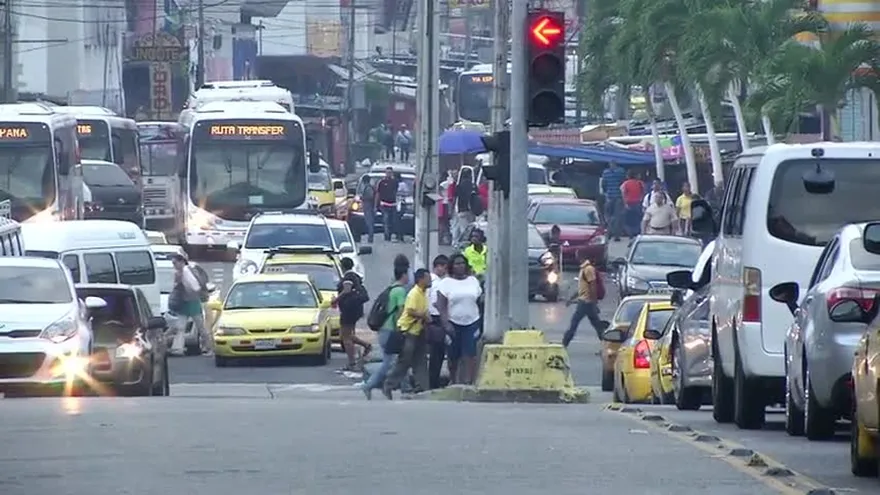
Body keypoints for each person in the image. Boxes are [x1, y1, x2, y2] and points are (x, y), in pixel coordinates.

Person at [383, 268, 432, 399]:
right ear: (420, 279)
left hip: (418, 331)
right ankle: (388, 384)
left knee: (421, 360)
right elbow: (410, 311)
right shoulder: (414, 293)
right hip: (408, 332)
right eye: (427, 278)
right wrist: (423, 315)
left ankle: (423, 387)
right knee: (404, 361)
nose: (429, 280)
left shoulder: (423, 293)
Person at [362, 266, 409, 399]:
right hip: (391, 331)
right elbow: (400, 312)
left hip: (384, 329)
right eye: (408, 274)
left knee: (398, 361)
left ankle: (404, 388)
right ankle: (369, 385)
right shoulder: (400, 291)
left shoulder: (391, 289)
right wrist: (402, 329)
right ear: (404, 275)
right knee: (390, 362)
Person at [437, 253, 483, 385]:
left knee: (470, 353)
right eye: (457, 264)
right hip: (453, 323)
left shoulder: (473, 281)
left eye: (462, 263)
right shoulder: (446, 283)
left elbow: (478, 300)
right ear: (452, 266)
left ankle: (469, 381)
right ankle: (453, 380)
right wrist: (445, 323)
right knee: (453, 355)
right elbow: (441, 305)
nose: (460, 266)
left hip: (472, 322)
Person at [168, 253, 212, 356]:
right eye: (173, 263)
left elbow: (194, 287)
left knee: (200, 327)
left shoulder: (186, 272)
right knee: (180, 326)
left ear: (181, 262)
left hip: (191, 302)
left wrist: (179, 283)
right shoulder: (181, 272)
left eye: (175, 263)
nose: (174, 265)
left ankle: (209, 348)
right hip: (185, 303)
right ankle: (177, 348)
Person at [563, 252, 608, 347]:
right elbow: (582, 288)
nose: (576, 257)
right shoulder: (583, 269)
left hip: (585, 302)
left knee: (574, 323)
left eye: (577, 255)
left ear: (582, 257)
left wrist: (593, 301)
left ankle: (564, 343)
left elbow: (592, 285)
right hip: (586, 301)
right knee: (597, 325)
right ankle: (606, 344)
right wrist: (571, 299)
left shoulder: (588, 269)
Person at [335, 257, 372, 371]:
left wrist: (336, 299)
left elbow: (347, 290)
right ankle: (366, 345)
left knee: (345, 337)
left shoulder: (348, 276)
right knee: (346, 334)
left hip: (348, 310)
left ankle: (351, 362)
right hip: (354, 309)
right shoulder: (355, 276)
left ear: (342, 266)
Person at [427, 255, 450, 389]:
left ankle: (433, 381)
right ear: (437, 267)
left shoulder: (442, 281)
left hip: (437, 319)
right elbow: (433, 303)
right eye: (443, 267)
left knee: (439, 353)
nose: (445, 270)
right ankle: (432, 383)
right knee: (436, 353)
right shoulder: (434, 283)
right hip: (434, 319)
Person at [599, 161, 626, 241]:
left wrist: (606, 192)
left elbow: (603, 184)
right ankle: (616, 235)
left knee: (608, 216)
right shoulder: (621, 171)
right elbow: (623, 182)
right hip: (618, 196)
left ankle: (609, 233)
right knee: (618, 217)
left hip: (609, 197)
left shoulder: (605, 172)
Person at [452, 168, 476, 245]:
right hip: (472, 210)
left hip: (461, 210)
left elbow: (455, 195)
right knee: (471, 228)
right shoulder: (473, 185)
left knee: (463, 229)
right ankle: (469, 244)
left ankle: (463, 245)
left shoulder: (459, 185)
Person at [620, 170, 644, 238]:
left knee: (628, 221)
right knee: (637, 220)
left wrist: (625, 204)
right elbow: (643, 192)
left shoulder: (625, 183)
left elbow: (623, 193)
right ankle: (637, 233)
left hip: (629, 203)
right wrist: (640, 200)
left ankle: (630, 234)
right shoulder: (640, 183)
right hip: (638, 203)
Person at [377, 167, 398, 242]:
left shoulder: (395, 182)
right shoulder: (382, 182)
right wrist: (377, 205)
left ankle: (390, 234)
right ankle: (386, 236)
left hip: (393, 204)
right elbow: (378, 193)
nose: (388, 174)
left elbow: (397, 192)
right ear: (385, 173)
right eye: (387, 172)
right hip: (384, 204)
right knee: (385, 219)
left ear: (392, 173)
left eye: (390, 172)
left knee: (392, 221)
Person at [358, 176, 376, 243]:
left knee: (369, 222)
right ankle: (370, 237)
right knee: (368, 221)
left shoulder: (368, 187)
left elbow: (370, 196)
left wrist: (363, 198)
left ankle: (370, 237)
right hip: (367, 205)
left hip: (368, 205)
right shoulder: (368, 187)